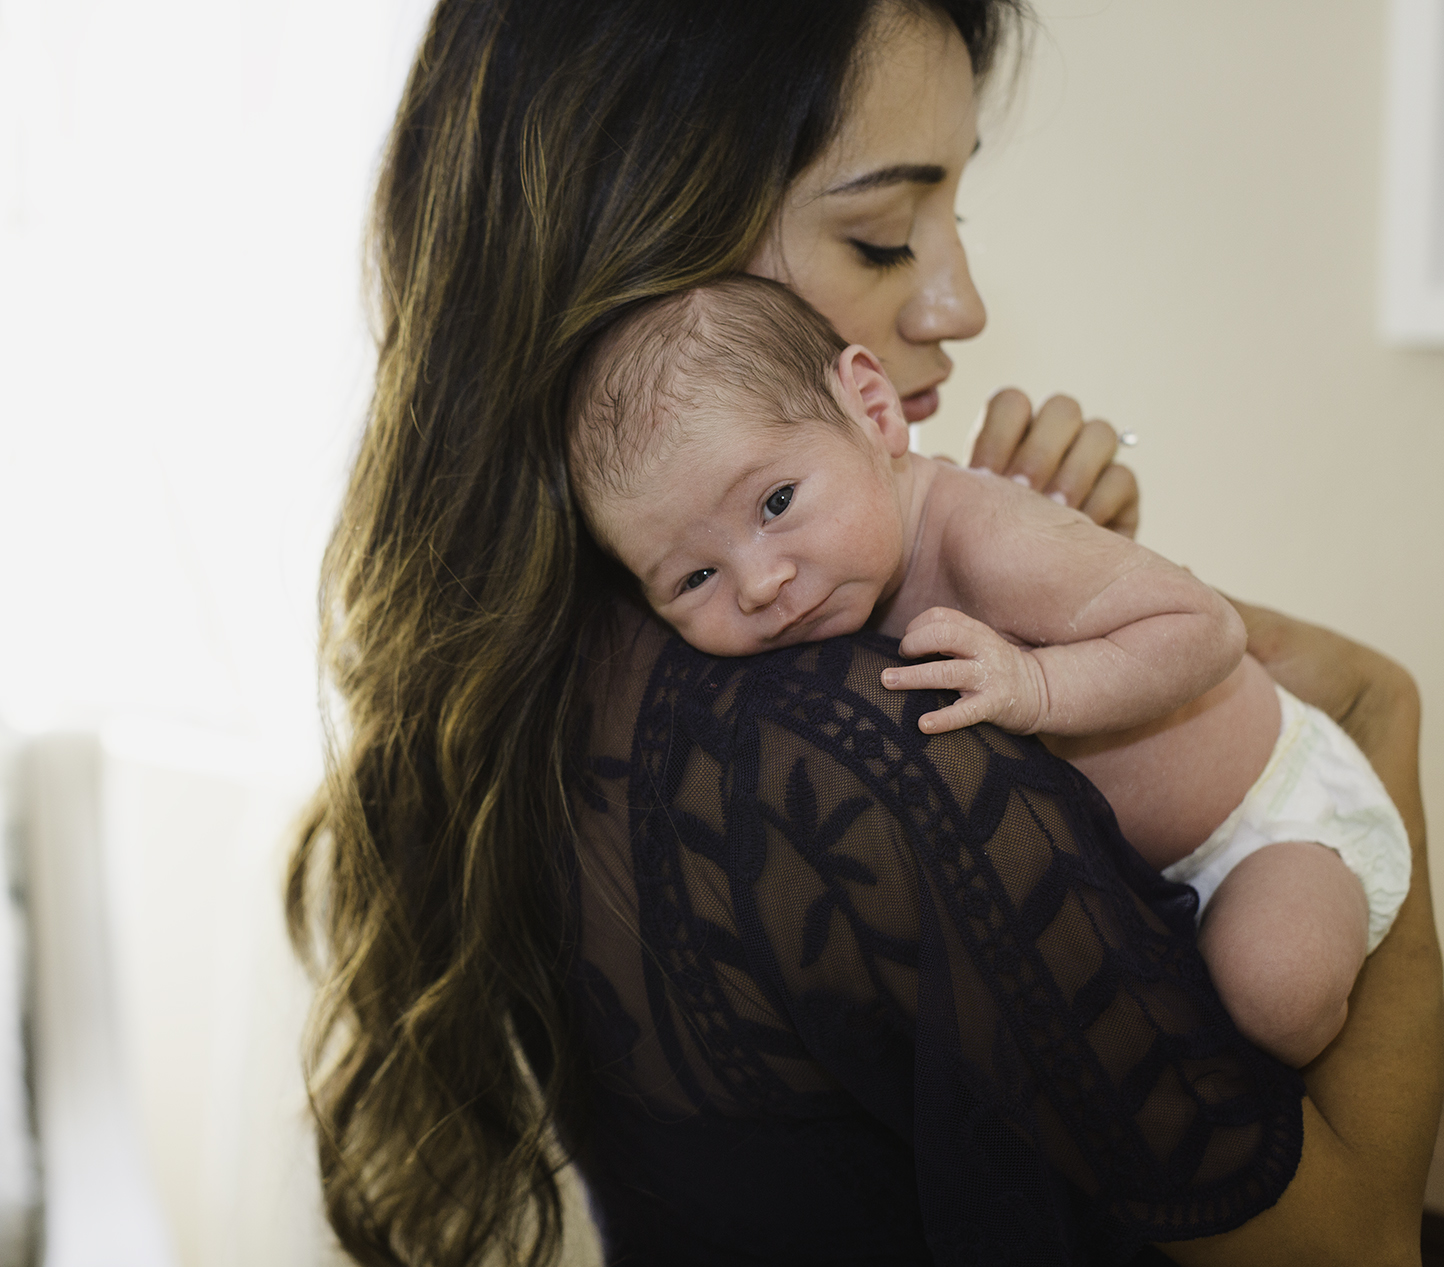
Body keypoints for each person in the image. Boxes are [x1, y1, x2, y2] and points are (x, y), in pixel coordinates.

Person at [286, 2, 1442, 1264]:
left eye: (957, 217)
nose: (958, 303)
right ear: (640, 232)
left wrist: (1048, 594)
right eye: (883, 235)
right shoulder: (870, 754)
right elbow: (1358, 1244)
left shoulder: (542, 682)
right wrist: (1374, 710)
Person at [568, 273, 1409, 1069]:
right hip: (1158, 873)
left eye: (777, 501)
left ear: (871, 410)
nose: (759, 585)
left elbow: (1206, 628)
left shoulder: (988, 539)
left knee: (1277, 995)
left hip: (1269, 813)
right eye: (693, 578)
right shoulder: (833, 591)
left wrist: (1037, 685)